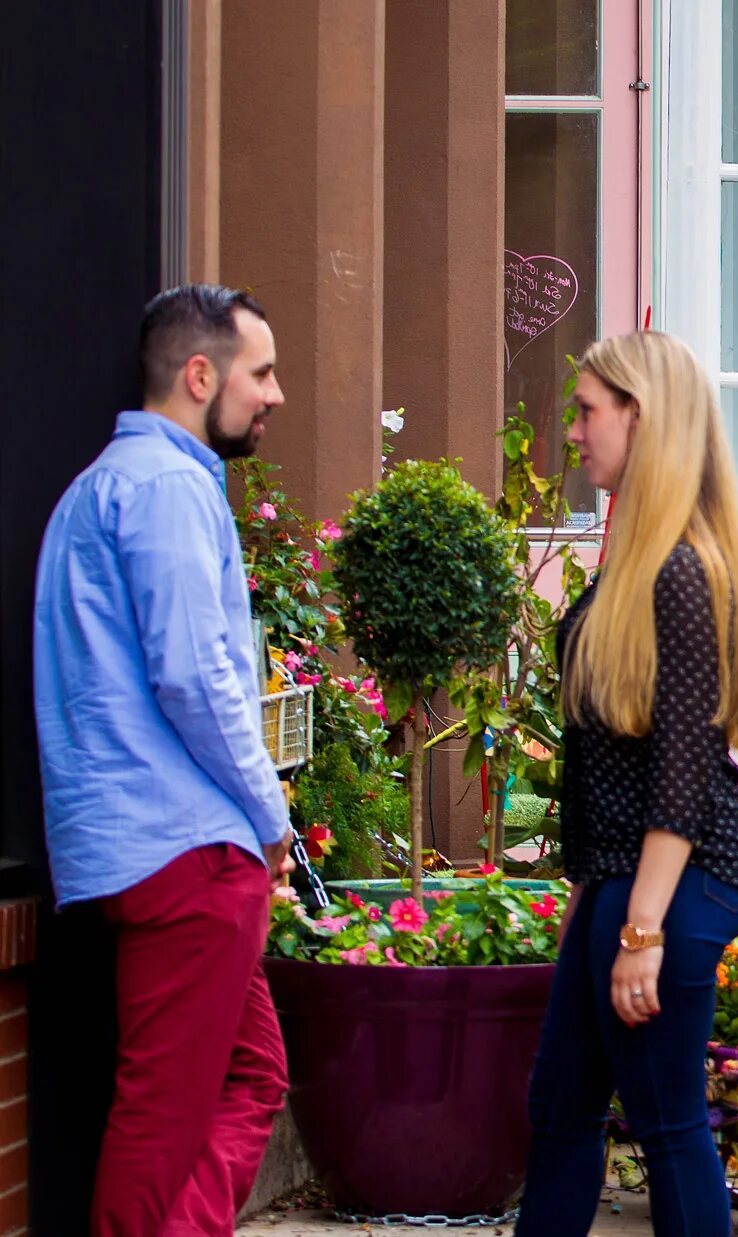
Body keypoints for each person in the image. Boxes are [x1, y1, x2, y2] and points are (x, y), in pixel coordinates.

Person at [34, 284, 295, 1235]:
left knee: (254, 1072)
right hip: (188, 855)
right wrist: (272, 820)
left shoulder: (96, 491)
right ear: (199, 375)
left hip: (138, 848)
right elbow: (198, 676)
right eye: (259, 373)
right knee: (161, 1116)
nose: (273, 395)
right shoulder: (172, 486)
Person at [520, 331, 738, 1236]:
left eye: (589, 411)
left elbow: (680, 771)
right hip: (625, 873)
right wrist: (593, 900)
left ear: (642, 417)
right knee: (559, 1108)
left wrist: (640, 928)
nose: (575, 430)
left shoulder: (681, 573)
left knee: (667, 1127)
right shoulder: (639, 559)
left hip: (675, 876)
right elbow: (614, 759)